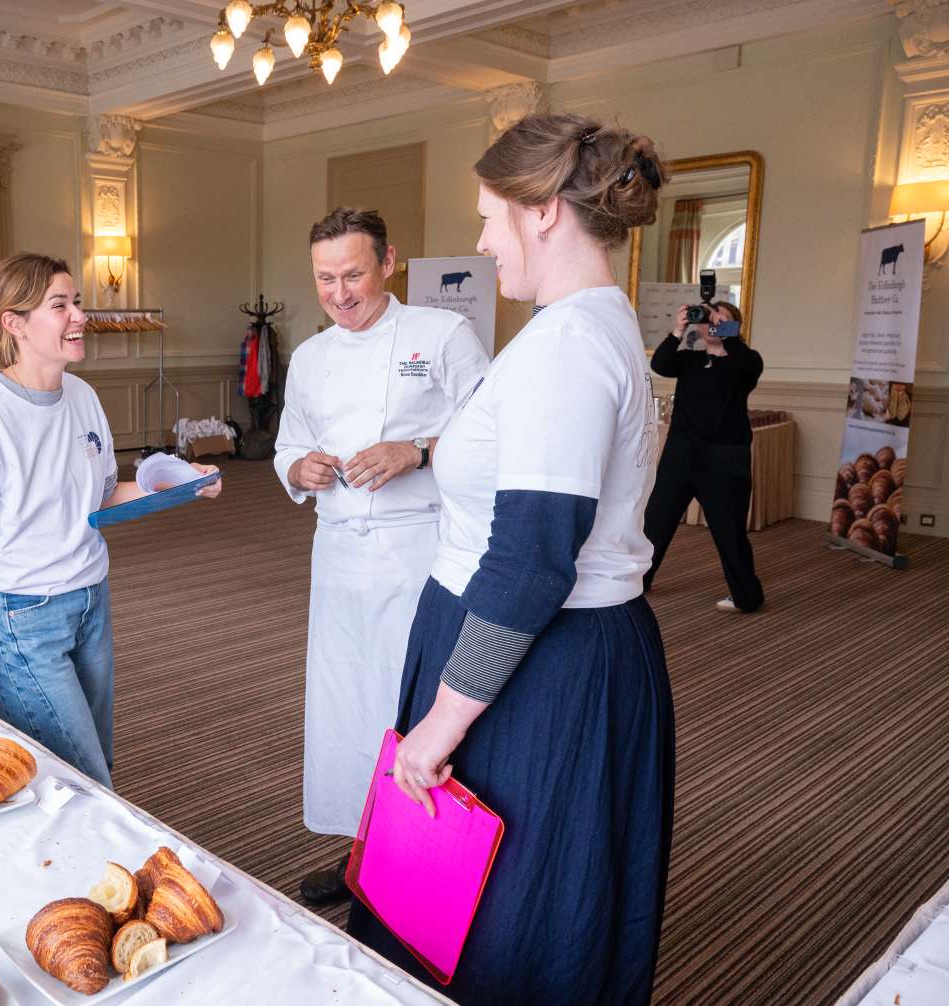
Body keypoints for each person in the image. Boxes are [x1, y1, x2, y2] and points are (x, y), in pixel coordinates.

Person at [353, 114, 675, 1005]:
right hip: (548, 652)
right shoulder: (588, 329)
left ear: (544, 214)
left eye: (492, 216)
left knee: (505, 917)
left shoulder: (567, 348)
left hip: (538, 664)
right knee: (520, 901)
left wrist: (438, 730)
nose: (485, 242)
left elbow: (533, 563)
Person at [0, 253, 221, 787]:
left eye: (75, 301)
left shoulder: (82, 395)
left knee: (95, 761)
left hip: (90, 602)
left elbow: (100, 498)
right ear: (14, 323)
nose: (79, 315)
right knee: (81, 778)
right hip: (21, 617)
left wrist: (180, 485)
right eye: (60, 305)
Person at [274, 207, 489, 905]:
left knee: (416, 706)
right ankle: (358, 855)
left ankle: (428, 860)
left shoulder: (443, 335)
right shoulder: (310, 358)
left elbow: (493, 436)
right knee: (344, 709)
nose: (339, 293)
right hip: (337, 556)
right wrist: (297, 468)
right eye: (325, 278)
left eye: (354, 274)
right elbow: (286, 444)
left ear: (388, 263)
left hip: (421, 549)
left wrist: (418, 450)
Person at [643, 300, 765, 613]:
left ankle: (746, 597)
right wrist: (678, 330)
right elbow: (660, 365)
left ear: (733, 327)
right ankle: (638, 583)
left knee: (729, 531)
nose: (711, 325)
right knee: (656, 522)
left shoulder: (745, 361)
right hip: (681, 454)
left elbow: (746, 364)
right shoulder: (689, 360)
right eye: (707, 320)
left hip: (725, 459)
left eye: (720, 321)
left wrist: (726, 334)